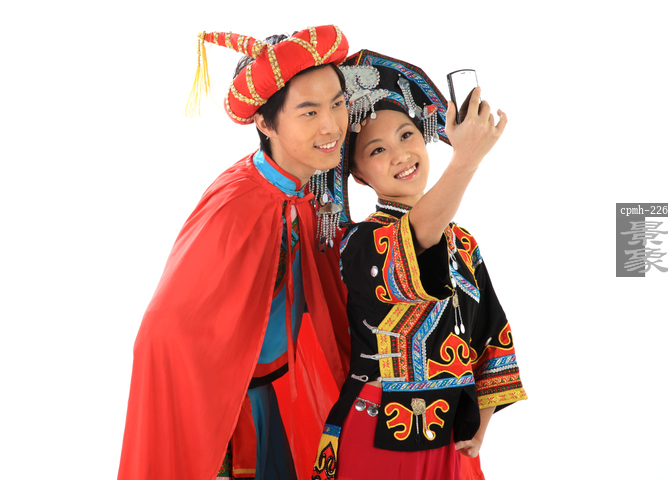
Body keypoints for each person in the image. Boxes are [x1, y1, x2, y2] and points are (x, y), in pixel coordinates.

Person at [117, 25, 354, 480]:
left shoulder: (305, 190)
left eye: (338, 104)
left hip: (276, 392)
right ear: (265, 122)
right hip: (226, 406)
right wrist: (211, 397)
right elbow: (163, 329)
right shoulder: (240, 201)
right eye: (309, 112)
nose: (331, 126)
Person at [312, 51, 528, 480]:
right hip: (377, 433)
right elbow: (416, 238)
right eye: (377, 149)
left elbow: (493, 335)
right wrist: (465, 160)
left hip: (453, 439)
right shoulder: (359, 244)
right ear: (358, 173)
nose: (400, 154)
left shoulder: (463, 243)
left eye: (407, 135)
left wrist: (479, 430)